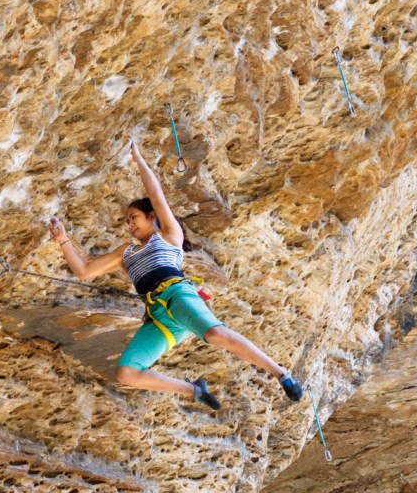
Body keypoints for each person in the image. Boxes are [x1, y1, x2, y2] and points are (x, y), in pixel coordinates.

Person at [46, 142, 304, 411]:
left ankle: (281, 373)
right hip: (159, 316)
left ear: (152, 216)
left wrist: (139, 160)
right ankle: (194, 390)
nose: (130, 224)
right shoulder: (126, 252)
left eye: (134, 217)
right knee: (126, 373)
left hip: (178, 295)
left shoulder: (168, 236)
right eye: (127, 221)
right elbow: (85, 271)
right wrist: (63, 239)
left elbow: (155, 193)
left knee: (217, 334)